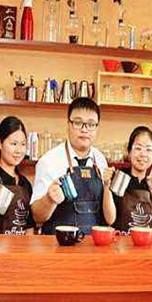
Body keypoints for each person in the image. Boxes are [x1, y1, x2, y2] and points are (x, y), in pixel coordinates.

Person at [31, 97, 108, 235]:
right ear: (68, 124)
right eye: (78, 123)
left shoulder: (101, 160)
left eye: (91, 124)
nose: (85, 129)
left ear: (97, 127)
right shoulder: (48, 161)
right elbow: (36, 217)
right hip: (58, 244)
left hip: (94, 244)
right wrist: (49, 199)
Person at [102, 126, 152, 234]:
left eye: (148, 149)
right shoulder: (119, 179)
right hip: (123, 243)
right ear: (129, 151)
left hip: (148, 243)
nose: (143, 154)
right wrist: (107, 186)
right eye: (138, 148)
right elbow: (110, 219)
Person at [0, 116, 35, 235]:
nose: (19, 150)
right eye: (14, 144)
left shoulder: (25, 183)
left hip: (21, 246)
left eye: (23, 144)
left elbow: (29, 227)